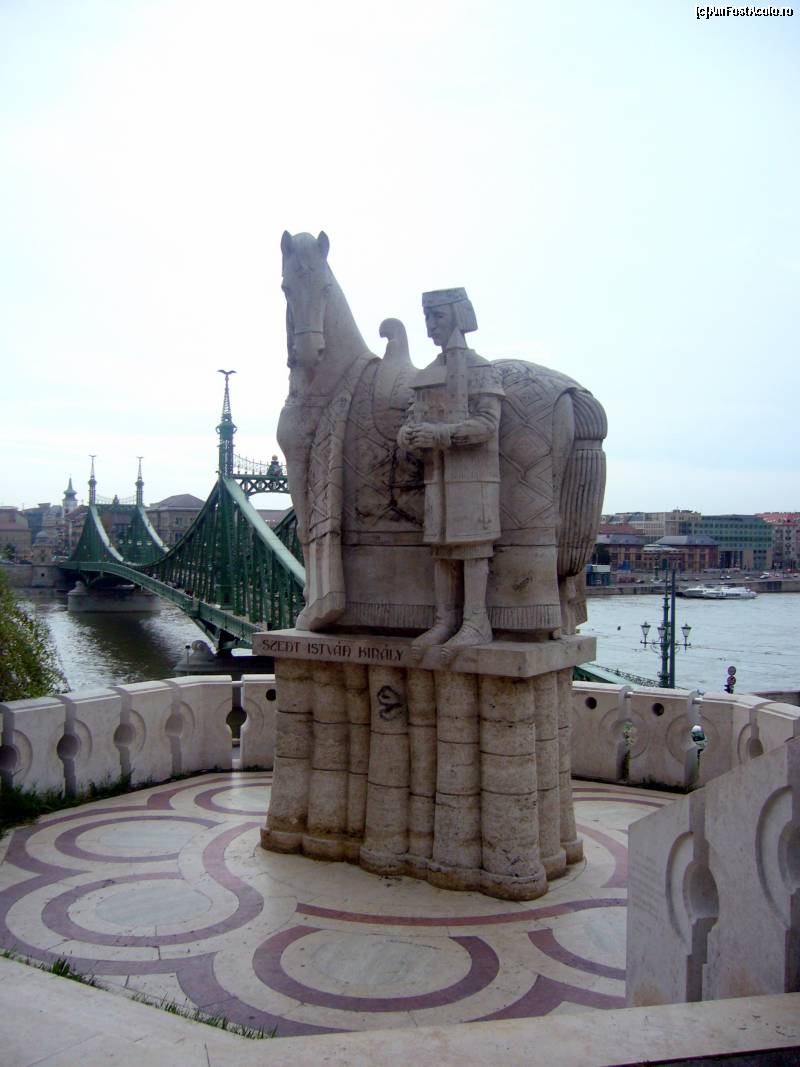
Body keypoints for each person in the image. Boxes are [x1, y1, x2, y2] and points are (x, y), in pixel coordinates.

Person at [398, 288, 504, 661]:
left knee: (473, 548)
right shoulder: (428, 375)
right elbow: (410, 419)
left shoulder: (481, 370)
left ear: (457, 316)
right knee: (441, 549)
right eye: (427, 317)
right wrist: (409, 435)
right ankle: (445, 620)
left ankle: (476, 621)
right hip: (436, 477)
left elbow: (488, 424)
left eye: (438, 316)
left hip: (473, 477)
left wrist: (441, 435)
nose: (430, 325)